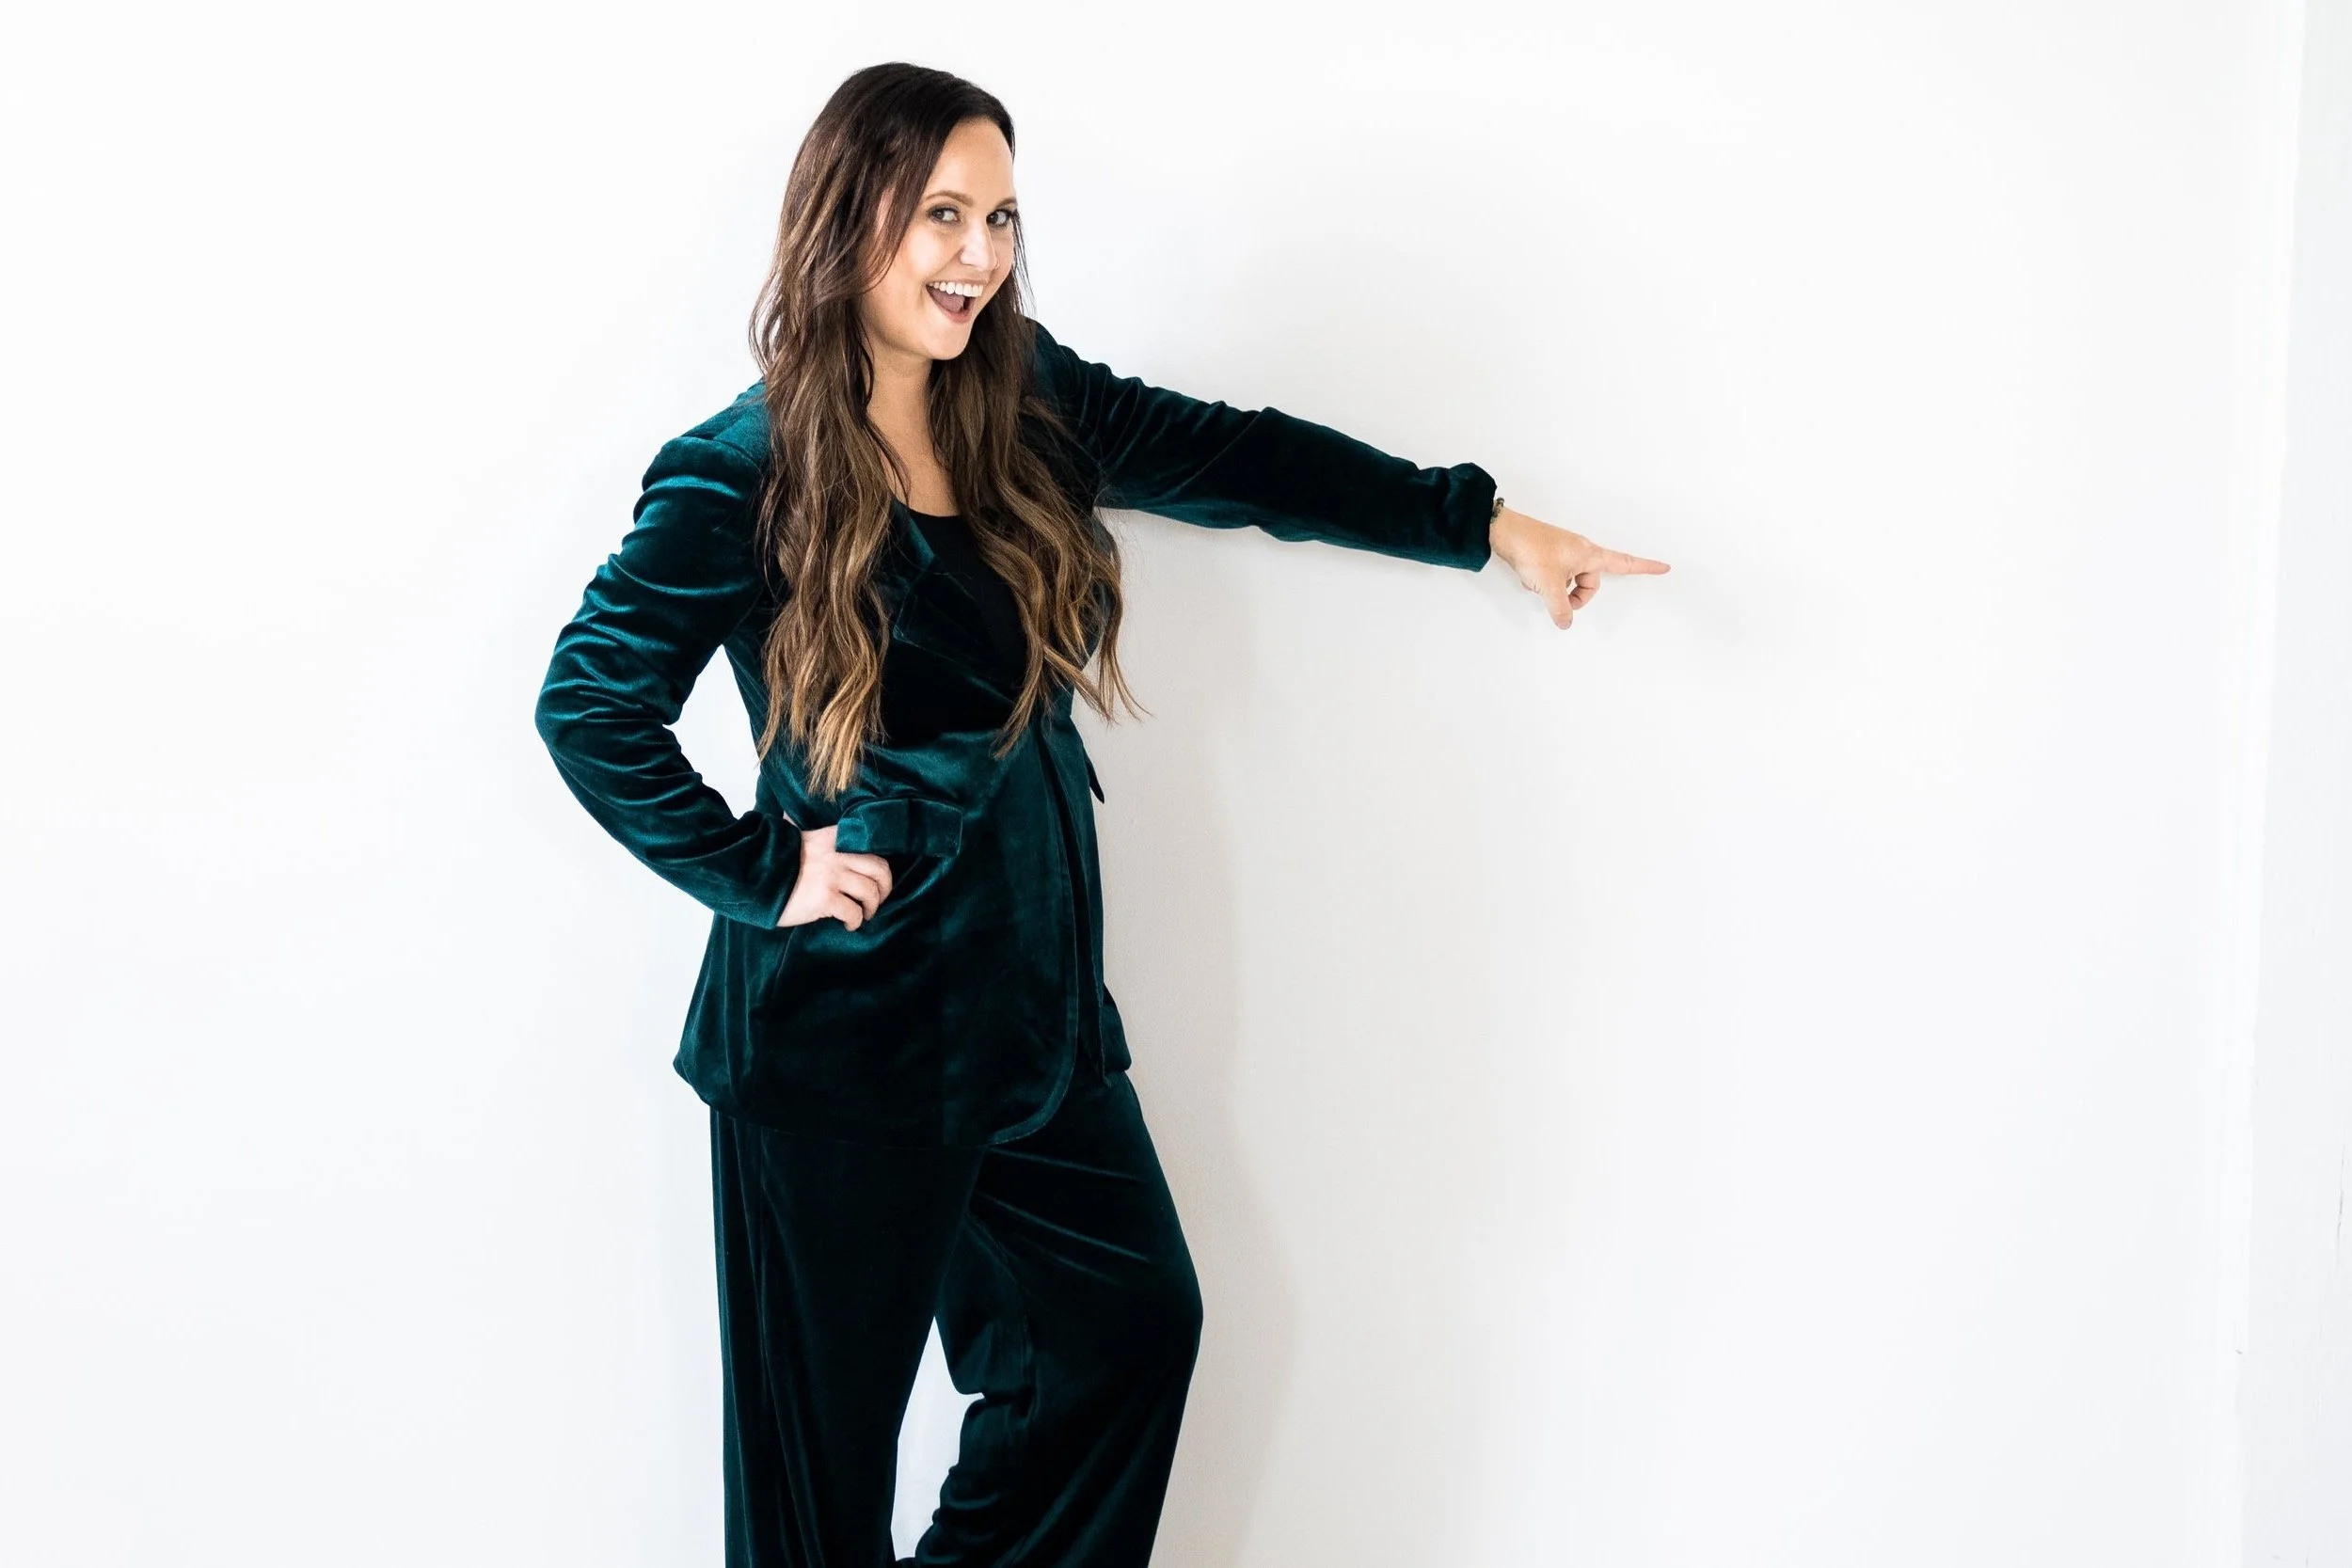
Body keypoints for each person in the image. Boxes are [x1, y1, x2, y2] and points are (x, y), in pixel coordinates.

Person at [533, 59, 1670, 1568]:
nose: (979, 257)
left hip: (1032, 1024)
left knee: (1131, 1330)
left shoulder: (1024, 402)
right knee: (814, 1504)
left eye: (1000, 217)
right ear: (847, 217)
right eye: (941, 215)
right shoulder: (742, 472)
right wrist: (763, 870)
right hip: (846, 1050)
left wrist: (1486, 526)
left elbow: (1240, 456)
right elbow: (587, 702)